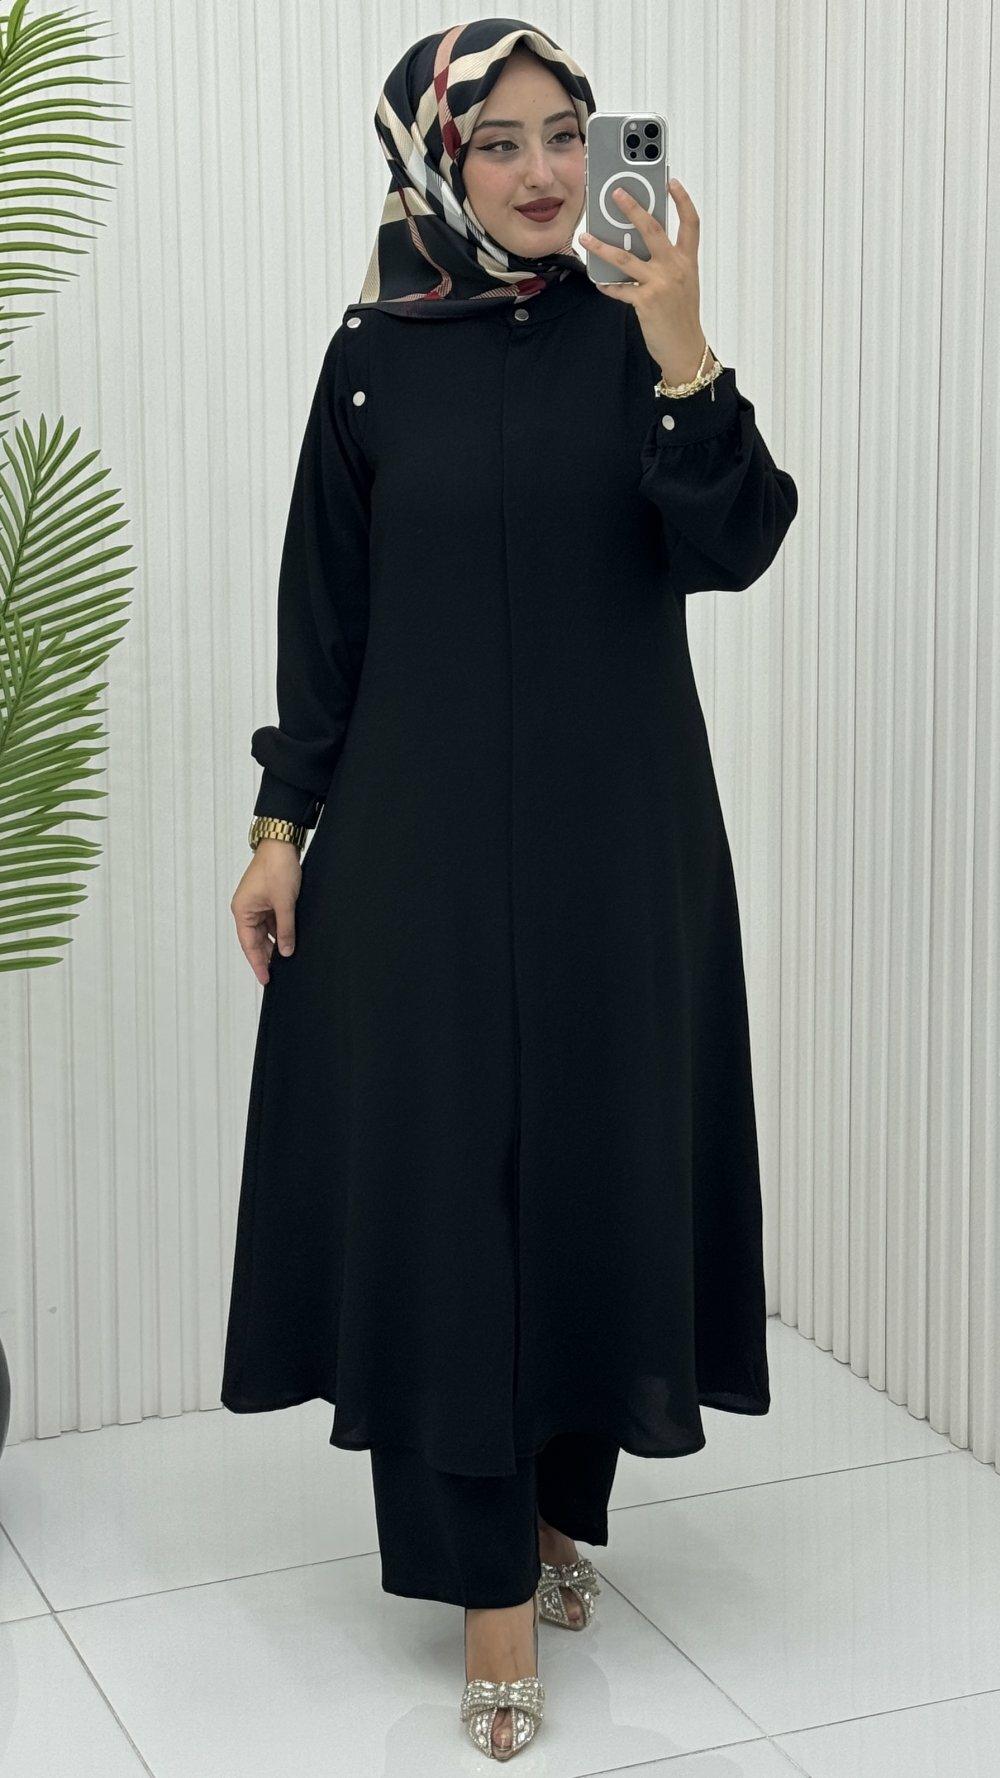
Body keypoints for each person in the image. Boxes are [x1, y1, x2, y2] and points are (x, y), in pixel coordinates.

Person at [222, 16, 798, 1762]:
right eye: (501, 141)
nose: (544, 171)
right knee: (447, 1200)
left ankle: (560, 1505)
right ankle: (484, 1588)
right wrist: (280, 821)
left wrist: (684, 344)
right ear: (435, 161)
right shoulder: (372, 356)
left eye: (567, 132)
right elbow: (325, 609)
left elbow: (738, 540)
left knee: (595, 1171)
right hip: (418, 855)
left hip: (620, 843)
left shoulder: (637, 338)